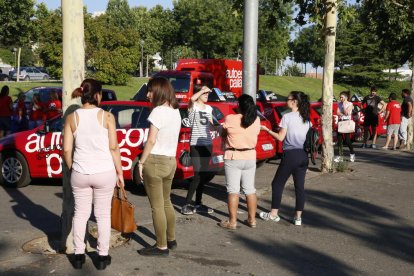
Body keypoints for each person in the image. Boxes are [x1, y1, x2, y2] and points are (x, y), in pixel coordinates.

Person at [63, 79, 124, 270]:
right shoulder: (107, 117)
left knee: (80, 214)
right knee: (103, 215)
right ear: (98, 95)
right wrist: (120, 172)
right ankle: (102, 257)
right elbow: (113, 147)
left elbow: (66, 149)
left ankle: (79, 255)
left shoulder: (72, 118)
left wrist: (73, 167)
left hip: (80, 172)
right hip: (104, 172)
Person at [137, 77, 181, 257]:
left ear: (159, 91)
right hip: (171, 161)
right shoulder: (175, 111)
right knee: (166, 201)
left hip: (155, 161)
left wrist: (141, 162)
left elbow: (152, 140)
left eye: (150, 90)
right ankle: (171, 239)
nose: (147, 94)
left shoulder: (157, 112)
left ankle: (161, 246)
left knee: (157, 206)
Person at [259, 91, 310, 226]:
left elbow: (281, 137)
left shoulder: (287, 117)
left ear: (294, 102)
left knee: (277, 184)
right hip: (304, 155)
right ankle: (298, 217)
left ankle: (274, 214)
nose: (286, 101)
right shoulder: (307, 118)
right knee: (299, 187)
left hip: (290, 154)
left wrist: (267, 130)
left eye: (288, 99)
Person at [218, 94, 261, 230]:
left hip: (234, 156)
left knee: (233, 191)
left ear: (239, 106)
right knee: (250, 190)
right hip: (250, 156)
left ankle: (232, 222)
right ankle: (252, 220)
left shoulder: (231, 118)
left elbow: (223, 133)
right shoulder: (256, 120)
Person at [181, 84, 214, 215]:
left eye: (207, 93)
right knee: (196, 176)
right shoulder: (193, 106)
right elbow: (190, 100)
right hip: (195, 144)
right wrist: (202, 90)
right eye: (204, 93)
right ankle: (186, 204)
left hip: (207, 144)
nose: (207, 95)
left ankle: (198, 203)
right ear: (198, 94)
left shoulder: (210, 108)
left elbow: (211, 124)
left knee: (203, 175)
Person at [334, 91, 355, 162]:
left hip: (347, 122)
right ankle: (340, 156)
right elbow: (337, 112)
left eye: (342, 97)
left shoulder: (350, 104)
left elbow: (347, 113)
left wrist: (343, 105)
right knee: (339, 140)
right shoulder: (339, 104)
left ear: (346, 97)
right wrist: (342, 112)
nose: (340, 98)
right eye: (340, 97)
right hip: (341, 122)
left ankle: (352, 154)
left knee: (347, 140)